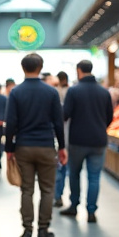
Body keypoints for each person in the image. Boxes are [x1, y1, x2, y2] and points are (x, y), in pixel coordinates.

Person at [5, 53, 66, 237]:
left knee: (26, 190)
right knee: (48, 190)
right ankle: (43, 229)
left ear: (23, 68)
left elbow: (11, 123)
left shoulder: (16, 92)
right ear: (40, 67)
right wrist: (62, 147)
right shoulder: (51, 92)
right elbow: (58, 123)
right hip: (46, 146)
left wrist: (9, 149)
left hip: (23, 146)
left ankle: (27, 231)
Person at [61, 60, 114, 222]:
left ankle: (74, 205)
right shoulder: (104, 92)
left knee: (74, 174)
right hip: (98, 140)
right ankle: (91, 211)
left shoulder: (74, 91)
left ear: (79, 71)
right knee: (94, 177)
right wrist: (99, 126)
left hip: (78, 140)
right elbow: (110, 116)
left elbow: (65, 115)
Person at [52, 70, 71, 207]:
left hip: (60, 136)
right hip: (69, 136)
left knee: (60, 169)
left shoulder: (54, 93)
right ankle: (62, 196)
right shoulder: (71, 92)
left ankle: (58, 195)